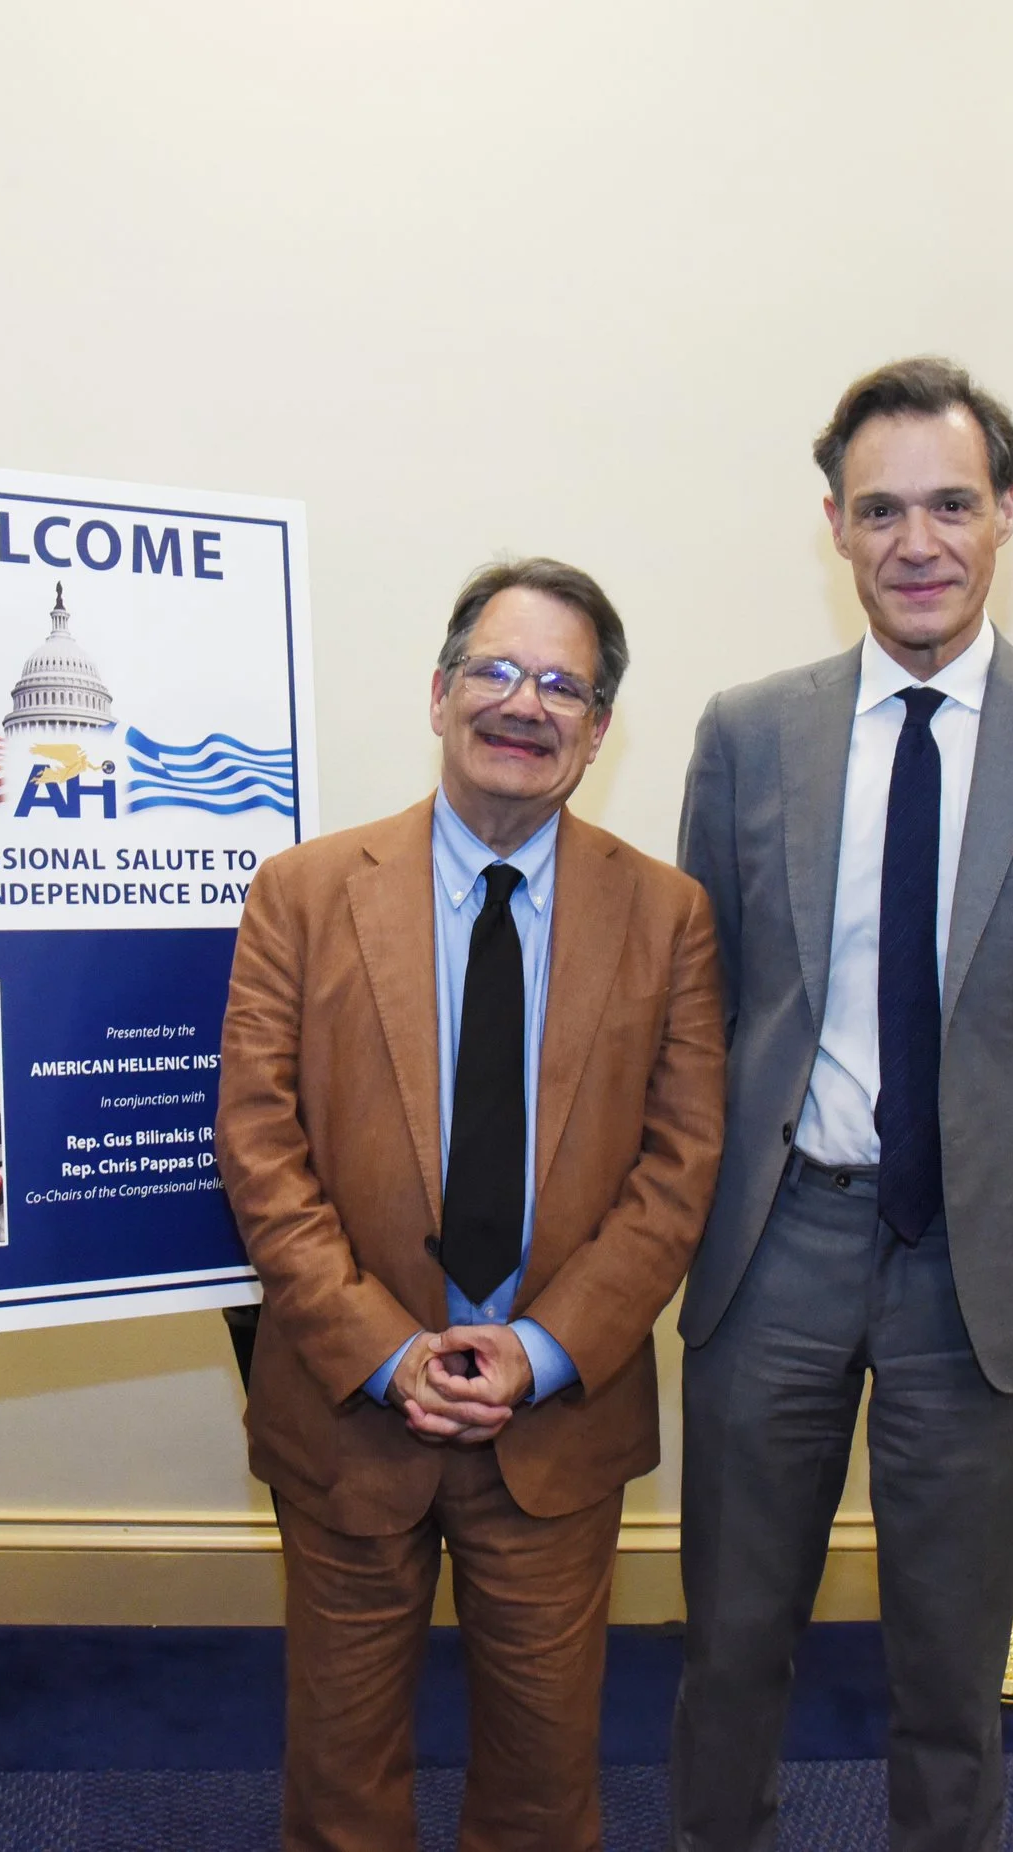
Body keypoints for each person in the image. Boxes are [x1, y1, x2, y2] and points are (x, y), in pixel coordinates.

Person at [670, 357, 1013, 1851]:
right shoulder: (748, 733)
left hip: (983, 1270)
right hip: (774, 1250)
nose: (918, 541)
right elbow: (698, 998)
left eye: (952, 504)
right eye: (881, 508)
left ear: (1006, 513)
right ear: (833, 525)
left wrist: (1000, 1163)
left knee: (950, 1667)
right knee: (731, 1642)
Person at [218, 558, 726, 1851]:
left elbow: (681, 1165)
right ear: (440, 693)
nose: (526, 704)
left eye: (565, 685)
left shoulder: (667, 919)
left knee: (545, 1792)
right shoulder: (304, 893)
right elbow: (260, 1148)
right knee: (341, 1788)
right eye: (496, 671)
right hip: (349, 1412)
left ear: (600, 729)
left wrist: (541, 1351)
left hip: (552, 1422)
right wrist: (385, 1353)